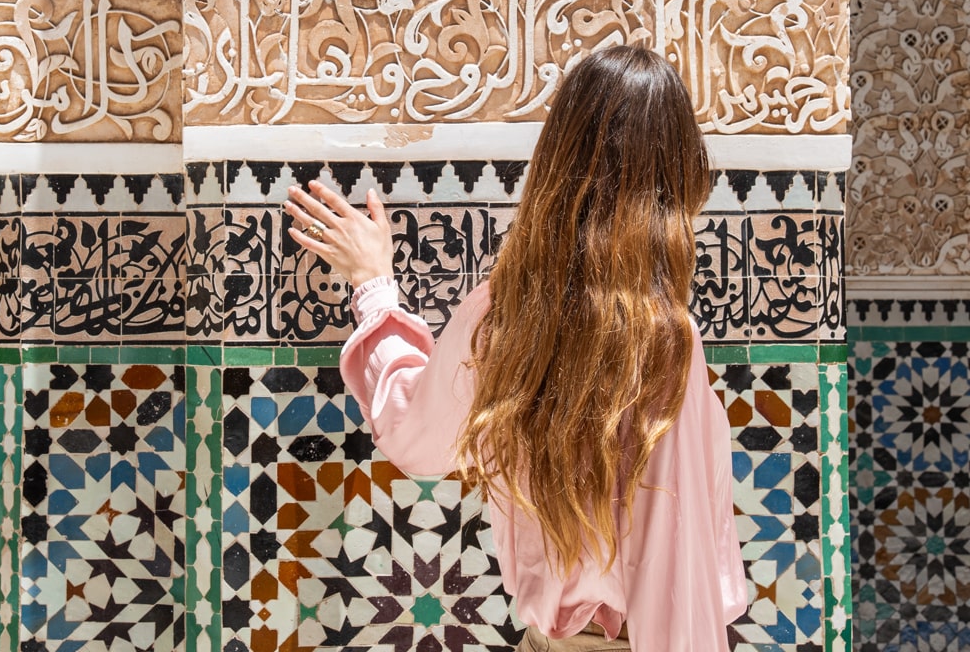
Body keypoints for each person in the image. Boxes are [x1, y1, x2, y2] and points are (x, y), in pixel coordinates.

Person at [282, 45, 747, 652]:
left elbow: (414, 435)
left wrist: (374, 286)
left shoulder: (507, 318)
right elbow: (679, 567)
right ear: (675, 174)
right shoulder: (670, 340)